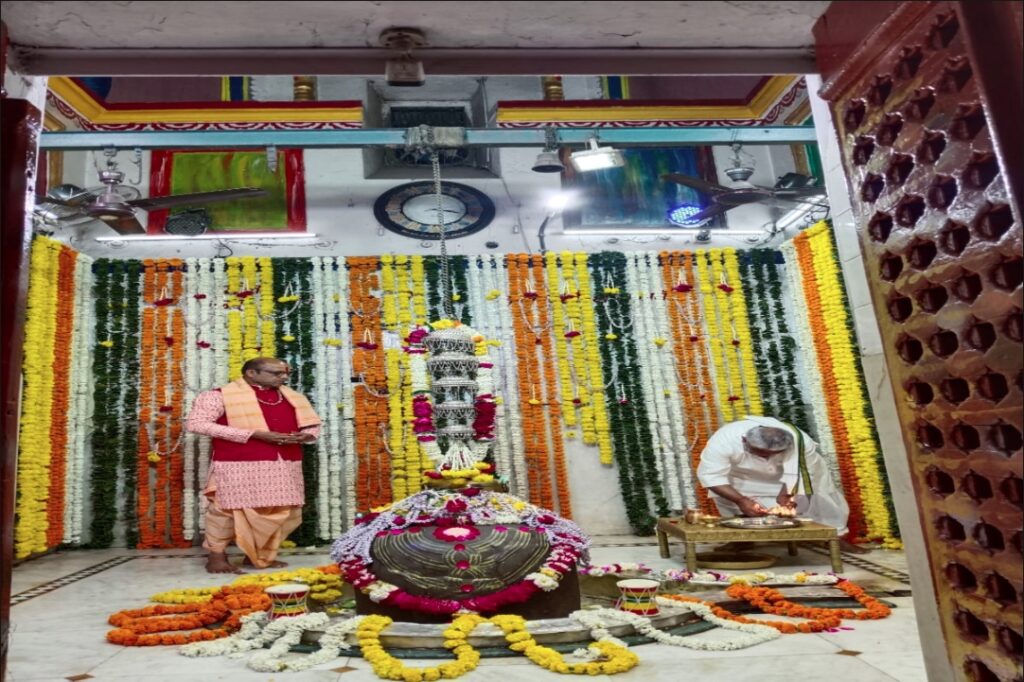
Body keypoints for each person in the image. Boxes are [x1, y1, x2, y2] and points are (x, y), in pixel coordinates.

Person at [186, 357, 321, 573]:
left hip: (284, 463)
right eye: (276, 373)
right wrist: (253, 434)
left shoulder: (293, 397)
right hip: (237, 463)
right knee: (227, 511)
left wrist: (305, 437)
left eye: (286, 373)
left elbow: (313, 425)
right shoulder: (217, 396)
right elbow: (196, 424)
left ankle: (257, 555)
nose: (284, 377)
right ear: (251, 373)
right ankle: (216, 557)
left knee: (285, 510)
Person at [696, 415, 868, 552]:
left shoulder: (799, 441)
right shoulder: (724, 440)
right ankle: (741, 539)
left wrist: (787, 491)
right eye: (761, 453)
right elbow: (712, 476)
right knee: (728, 495)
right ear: (744, 441)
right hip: (742, 476)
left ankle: (835, 537)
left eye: (772, 453)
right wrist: (741, 500)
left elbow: (802, 471)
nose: (767, 458)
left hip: (788, 474)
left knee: (818, 493)